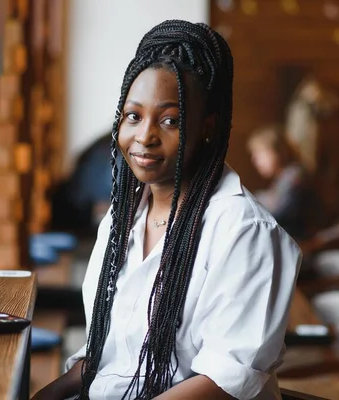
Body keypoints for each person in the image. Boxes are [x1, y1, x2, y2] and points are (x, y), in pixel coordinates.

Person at [32, 20, 301, 400]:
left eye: (170, 120)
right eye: (133, 116)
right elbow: (109, 353)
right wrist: (47, 394)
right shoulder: (121, 220)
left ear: (207, 127)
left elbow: (226, 380)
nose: (144, 136)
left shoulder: (244, 232)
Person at [247, 125, 322, 241]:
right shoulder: (285, 177)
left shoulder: (294, 176)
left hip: (304, 246)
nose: (255, 160)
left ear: (278, 152)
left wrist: (248, 201)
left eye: (260, 153)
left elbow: (276, 212)